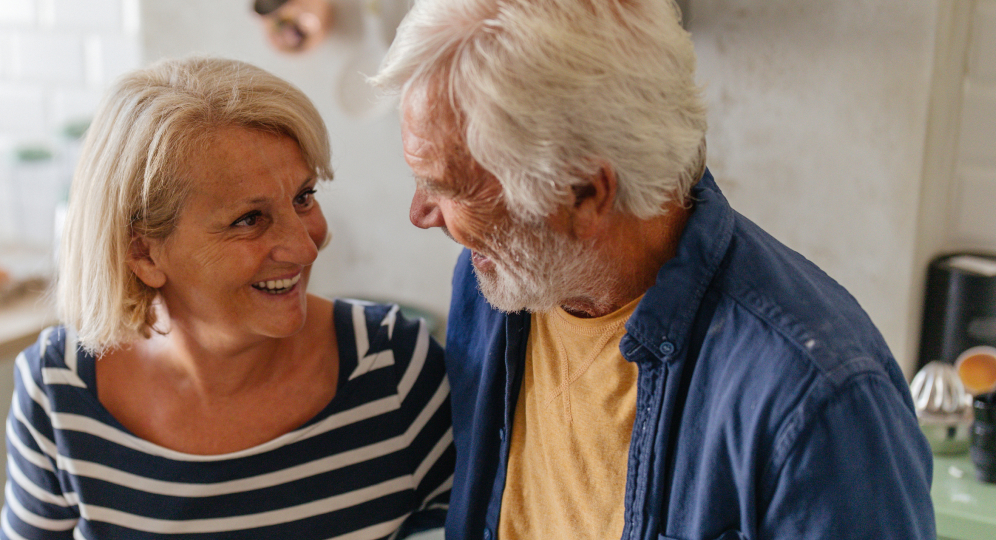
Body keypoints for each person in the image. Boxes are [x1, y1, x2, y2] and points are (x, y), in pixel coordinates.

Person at [370, 1, 936, 539]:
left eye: (447, 188)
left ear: (587, 193)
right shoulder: (492, 285)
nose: (420, 214)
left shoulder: (819, 401)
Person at [0, 56, 454, 540]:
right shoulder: (58, 390)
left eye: (304, 197)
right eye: (249, 219)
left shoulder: (393, 366)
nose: (305, 246)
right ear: (142, 253)